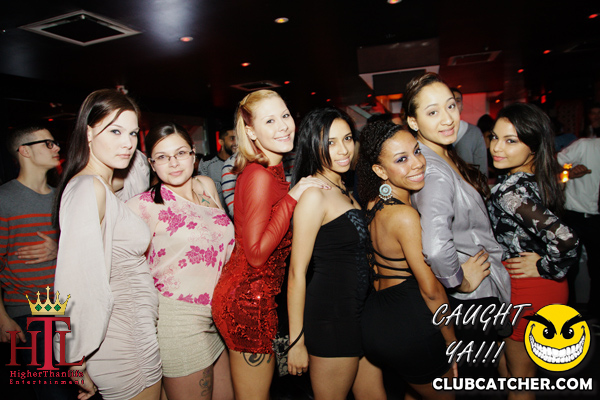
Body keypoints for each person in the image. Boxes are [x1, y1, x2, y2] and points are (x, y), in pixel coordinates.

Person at [211, 90, 328, 400]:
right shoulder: (259, 175)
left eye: (285, 115)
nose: (283, 126)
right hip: (247, 301)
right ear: (251, 132)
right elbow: (256, 254)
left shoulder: (272, 171)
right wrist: (294, 196)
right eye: (270, 121)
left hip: (254, 295)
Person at [53, 89, 161, 400]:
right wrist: (73, 359)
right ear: (88, 133)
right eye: (115, 131)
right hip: (122, 338)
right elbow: (76, 281)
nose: (127, 142)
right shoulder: (88, 188)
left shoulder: (101, 186)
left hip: (134, 330)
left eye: (132, 133)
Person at [407, 73, 511, 382]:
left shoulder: (442, 153)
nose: (447, 118)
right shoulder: (434, 170)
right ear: (413, 122)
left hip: (477, 295)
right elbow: (436, 249)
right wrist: (459, 282)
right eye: (432, 112)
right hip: (471, 301)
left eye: (450, 106)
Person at [127, 122, 235, 400]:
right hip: (178, 319)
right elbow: (114, 265)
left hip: (216, 316)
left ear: (193, 154)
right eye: (162, 157)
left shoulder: (206, 186)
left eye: (180, 153)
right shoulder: (142, 206)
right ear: (151, 163)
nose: (174, 163)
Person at [286, 108, 384, 400]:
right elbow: (297, 273)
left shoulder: (344, 188)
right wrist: (296, 342)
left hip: (359, 315)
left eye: (348, 138)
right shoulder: (314, 195)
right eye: (331, 142)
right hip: (331, 318)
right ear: (313, 145)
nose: (343, 150)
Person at [356, 121, 456, 399]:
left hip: (376, 320)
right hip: (409, 325)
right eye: (402, 159)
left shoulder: (374, 204)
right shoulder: (404, 216)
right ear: (380, 171)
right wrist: (451, 341)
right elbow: (431, 291)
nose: (417, 163)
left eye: (416, 151)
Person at [487, 103, 579, 399]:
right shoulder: (535, 176)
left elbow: (566, 240)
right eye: (495, 137)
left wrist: (543, 266)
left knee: (521, 382)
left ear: (534, 146)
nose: (496, 147)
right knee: (511, 370)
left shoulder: (510, 191)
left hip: (528, 288)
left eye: (510, 141)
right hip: (539, 287)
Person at [0, 124, 77, 399]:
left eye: (55, 142)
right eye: (48, 143)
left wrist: (60, 248)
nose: (56, 148)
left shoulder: (63, 198)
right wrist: (2, 318)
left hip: (68, 309)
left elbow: (82, 253)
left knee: (81, 388)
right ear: (25, 151)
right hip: (28, 313)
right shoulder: (4, 199)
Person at [557, 136, 600, 321]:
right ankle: (569, 313)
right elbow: (555, 164)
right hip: (575, 215)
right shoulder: (586, 145)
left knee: (597, 269)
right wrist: (569, 172)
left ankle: (596, 313)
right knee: (570, 267)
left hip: (597, 218)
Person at [450, 87, 488, 176]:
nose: (454, 104)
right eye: (450, 101)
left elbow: (482, 167)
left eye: (457, 100)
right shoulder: (436, 133)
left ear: (462, 106)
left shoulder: (474, 132)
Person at [198, 129, 238, 209]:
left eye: (238, 139)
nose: (236, 142)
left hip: (237, 211)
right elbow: (202, 190)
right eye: (232, 138)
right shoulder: (207, 162)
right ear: (221, 142)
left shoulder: (242, 161)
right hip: (216, 211)